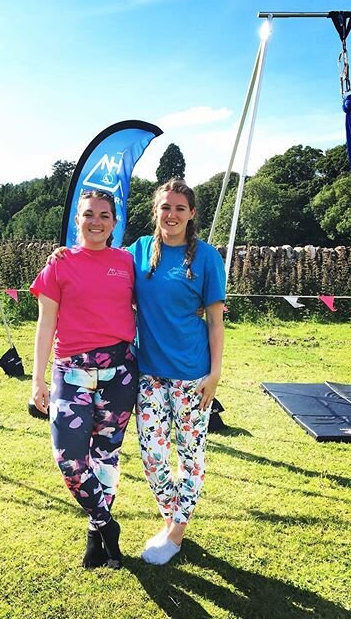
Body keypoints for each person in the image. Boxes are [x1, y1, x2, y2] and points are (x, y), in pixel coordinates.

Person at [30, 189, 138, 570]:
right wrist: (37, 379)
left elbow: (154, 303)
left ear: (114, 222)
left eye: (104, 215)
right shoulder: (58, 265)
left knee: (105, 455)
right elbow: (45, 325)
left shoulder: (127, 262)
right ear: (78, 218)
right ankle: (107, 525)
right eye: (89, 214)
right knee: (70, 459)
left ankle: (95, 536)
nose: (97, 222)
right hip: (70, 371)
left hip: (120, 373)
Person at [126, 178, 225, 566]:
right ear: (156, 210)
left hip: (192, 375)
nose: (172, 215)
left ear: (191, 214)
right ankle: (171, 517)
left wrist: (215, 374)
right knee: (152, 455)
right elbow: (99, 263)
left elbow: (216, 321)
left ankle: (177, 532)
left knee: (190, 455)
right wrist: (64, 255)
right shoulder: (139, 251)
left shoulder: (206, 257)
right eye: (165, 207)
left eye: (180, 208)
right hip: (148, 374)